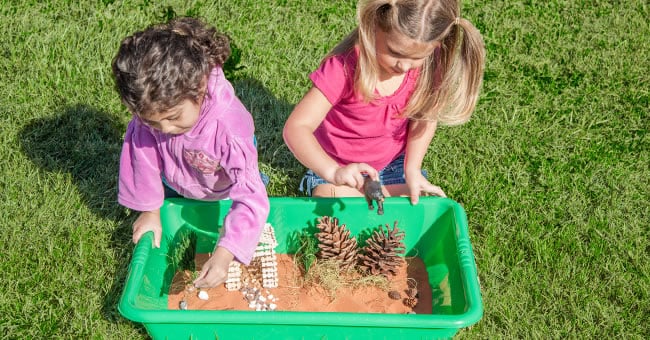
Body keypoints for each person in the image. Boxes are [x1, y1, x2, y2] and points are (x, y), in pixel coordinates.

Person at [112, 17, 270, 289]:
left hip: (223, 187)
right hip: (176, 178)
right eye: (152, 121)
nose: (164, 128)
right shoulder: (156, 111)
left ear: (198, 88)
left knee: (247, 197)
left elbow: (250, 196)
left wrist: (225, 252)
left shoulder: (229, 128)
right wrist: (150, 210)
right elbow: (142, 155)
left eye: (173, 117)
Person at [283, 0, 485, 204]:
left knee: (419, 201)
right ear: (373, 27)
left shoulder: (430, 66)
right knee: (333, 199)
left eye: (418, 57)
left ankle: (374, 202)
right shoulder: (344, 68)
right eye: (395, 52)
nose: (405, 66)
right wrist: (334, 172)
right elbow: (297, 127)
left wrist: (412, 169)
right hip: (339, 166)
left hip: (393, 166)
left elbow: (424, 118)